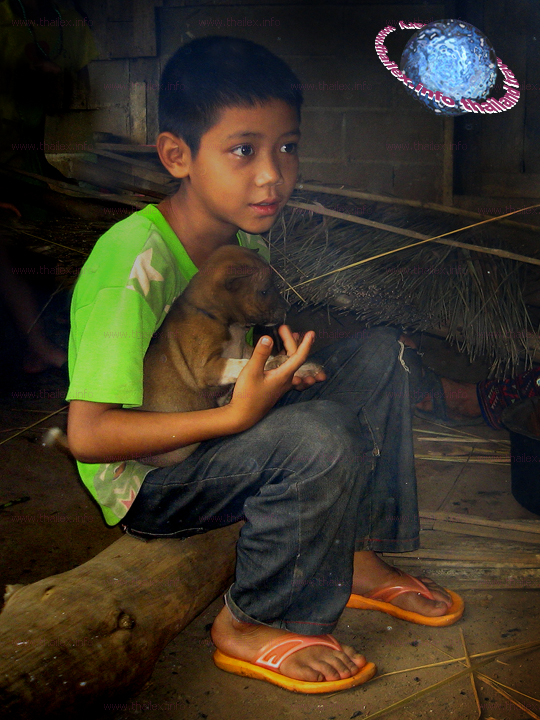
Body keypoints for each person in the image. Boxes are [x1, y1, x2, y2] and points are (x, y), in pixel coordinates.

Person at [66, 36, 465, 694]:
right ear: (177, 155)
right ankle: (257, 619)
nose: (272, 175)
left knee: (379, 354)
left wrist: (276, 371)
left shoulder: (244, 242)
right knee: (321, 435)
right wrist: (234, 418)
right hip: (152, 480)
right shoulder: (133, 264)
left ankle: (357, 554)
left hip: (215, 427)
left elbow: (230, 356)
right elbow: (88, 436)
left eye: (288, 147)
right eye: (243, 150)